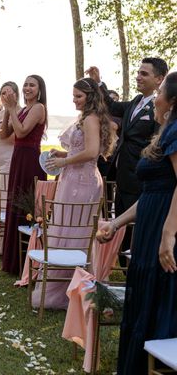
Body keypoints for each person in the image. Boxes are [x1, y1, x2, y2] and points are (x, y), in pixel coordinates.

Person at [97, 71, 177, 375]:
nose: (155, 96)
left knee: (161, 300)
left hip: (163, 231)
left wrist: (168, 234)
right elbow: (152, 195)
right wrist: (116, 223)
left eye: (160, 92)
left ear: (172, 100)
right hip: (148, 228)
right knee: (144, 298)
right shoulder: (166, 130)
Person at [33, 78, 115, 308]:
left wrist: (65, 161)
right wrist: (62, 153)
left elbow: (91, 152)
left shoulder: (91, 118)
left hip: (83, 180)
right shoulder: (85, 118)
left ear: (90, 97)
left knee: (76, 228)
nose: (74, 100)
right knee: (66, 226)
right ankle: (66, 286)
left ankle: (75, 288)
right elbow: (81, 148)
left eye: (78, 96)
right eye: (73, 95)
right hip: (73, 178)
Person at [86, 58, 168, 260]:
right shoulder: (134, 103)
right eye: (138, 72)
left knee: (135, 229)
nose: (138, 76)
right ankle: (122, 265)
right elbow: (112, 106)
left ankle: (134, 263)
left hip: (139, 177)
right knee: (120, 222)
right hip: (121, 174)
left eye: (144, 74)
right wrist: (98, 83)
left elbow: (157, 145)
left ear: (159, 79)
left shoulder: (160, 110)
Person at [1, 75, 48, 275]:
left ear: (39, 89)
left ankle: (26, 260)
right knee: (14, 203)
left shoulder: (38, 108)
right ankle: (12, 259)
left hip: (30, 160)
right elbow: (5, 134)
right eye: (26, 84)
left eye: (32, 85)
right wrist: (7, 108)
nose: (27, 88)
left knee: (25, 204)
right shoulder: (23, 110)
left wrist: (12, 108)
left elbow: (21, 133)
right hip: (18, 158)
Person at [0, 82, 19, 181]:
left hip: (10, 160)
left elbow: (13, 138)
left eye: (8, 92)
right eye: (3, 93)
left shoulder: (20, 112)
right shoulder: (0, 114)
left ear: (16, 94)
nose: (5, 96)